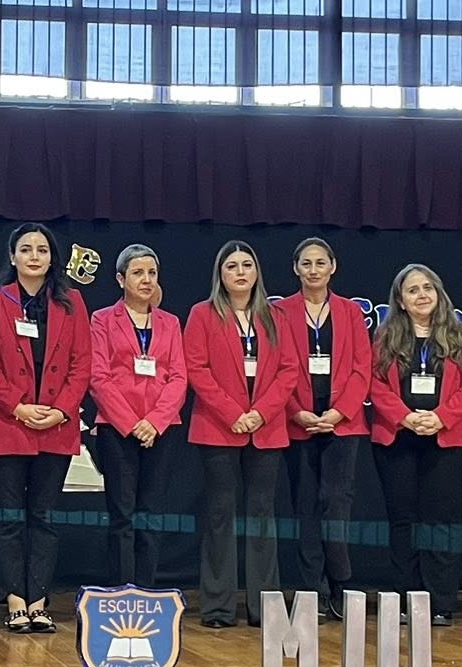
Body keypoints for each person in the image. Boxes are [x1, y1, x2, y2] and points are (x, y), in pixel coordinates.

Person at [0, 223, 90, 634]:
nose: (35, 256)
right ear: (13, 256)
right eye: (26, 249)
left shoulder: (72, 301)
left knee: (44, 517)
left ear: (52, 257)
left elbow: (82, 363)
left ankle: (39, 601)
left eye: (42, 249)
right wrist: (19, 407)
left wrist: (62, 410)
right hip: (8, 424)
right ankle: (14, 600)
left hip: (56, 426)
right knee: (9, 518)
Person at [185, 239, 297, 629]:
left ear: (257, 272)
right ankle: (218, 607)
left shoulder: (276, 316)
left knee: (262, 515)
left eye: (246, 265)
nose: (240, 272)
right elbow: (197, 369)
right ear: (220, 274)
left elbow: (288, 371)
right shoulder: (202, 314)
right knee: (220, 514)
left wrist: (260, 413)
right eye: (231, 266)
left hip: (266, 428)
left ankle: (264, 607)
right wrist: (233, 413)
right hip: (219, 427)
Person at [367, 264, 462, 626]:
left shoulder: (460, 336)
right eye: (413, 290)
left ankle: (441, 602)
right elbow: (373, 384)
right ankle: (406, 600)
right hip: (398, 438)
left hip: (447, 439)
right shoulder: (386, 338)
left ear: (438, 293)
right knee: (404, 521)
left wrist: (441, 417)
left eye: (428, 288)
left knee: (440, 522)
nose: (421, 295)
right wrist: (404, 417)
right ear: (400, 300)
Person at [275, 238, 372, 620]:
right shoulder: (281, 311)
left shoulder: (350, 312)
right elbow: (275, 369)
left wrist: (339, 413)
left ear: (333, 266)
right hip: (298, 422)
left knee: (336, 504)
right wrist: (296, 412)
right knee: (306, 507)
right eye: (306, 263)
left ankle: (340, 584)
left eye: (320, 262)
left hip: (342, 425)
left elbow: (362, 369)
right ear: (295, 268)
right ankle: (312, 589)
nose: (313, 270)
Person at [88, 244, 187, 588]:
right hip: (118, 430)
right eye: (138, 273)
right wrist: (132, 424)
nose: (146, 280)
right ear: (121, 279)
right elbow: (98, 377)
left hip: (162, 430)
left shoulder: (170, 323)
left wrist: (155, 422)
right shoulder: (102, 319)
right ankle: (121, 588)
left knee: (152, 515)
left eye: (152, 273)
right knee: (122, 515)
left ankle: (146, 589)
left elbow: (179, 377)